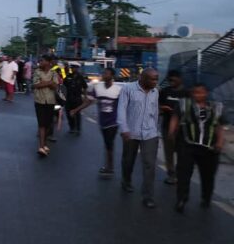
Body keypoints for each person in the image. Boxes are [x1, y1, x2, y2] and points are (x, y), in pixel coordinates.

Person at [170, 83, 228, 213]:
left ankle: (206, 198)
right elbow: (175, 119)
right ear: (192, 93)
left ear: (206, 93)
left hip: (209, 149)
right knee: (183, 174)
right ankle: (181, 199)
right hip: (187, 146)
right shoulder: (184, 105)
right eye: (195, 92)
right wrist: (171, 133)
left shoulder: (216, 107)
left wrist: (219, 143)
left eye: (201, 92)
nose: (198, 95)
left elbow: (219, 127)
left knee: (208, 176)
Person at [116, 68, 160, 209]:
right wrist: (124, 129)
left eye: (156, 79)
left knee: (150, 164)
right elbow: (121, 109)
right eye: (152, 79)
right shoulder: (128, 89)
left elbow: (155, 112)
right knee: (128, 160)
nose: (155, 82)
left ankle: (148, 196)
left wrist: (155, 129)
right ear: (142, 78)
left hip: (150, 133)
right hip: (131, 132)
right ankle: (126, 180)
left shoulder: (155, 92)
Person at [70, 68, 121, 176]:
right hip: (103, 122)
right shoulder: (98, 88)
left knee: (109, 143)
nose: (104, 75)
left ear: (112, 76)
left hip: (113, 122)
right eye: (103, 73)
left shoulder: (118, 90)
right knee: (107, 144)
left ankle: (109, 167)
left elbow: (124, 105)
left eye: (106, 73)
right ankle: (109, 166)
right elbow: (88, 101)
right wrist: (76, 110)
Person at [159, 70, 188, 185]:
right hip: (167, 127)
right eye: (169, 79)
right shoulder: (165, 91)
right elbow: (159, 105)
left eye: (173, 79)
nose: (171, 81)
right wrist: (163, 108)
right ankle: (171, 175)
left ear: (180, 79)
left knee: (182, 153)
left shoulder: (186, 93)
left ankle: (180, 173)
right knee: (169, 153)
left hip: (183, 129)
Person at [33, 55, 59, 157]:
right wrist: (49, 83)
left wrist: (44, 83)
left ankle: (44, 143)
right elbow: (36, 85)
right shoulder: (37, 72)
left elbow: (55, 86)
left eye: (42, 61)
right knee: (41, 124)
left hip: (50, 101)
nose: (40, 62)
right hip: (39, 101)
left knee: (48, 124)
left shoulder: (54, 73)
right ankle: (41, 147)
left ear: (48, 62)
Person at [64, 64, 88, 135]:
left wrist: (85, 97)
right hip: (68, 98)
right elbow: (63, 86)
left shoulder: (80, 77)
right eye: (72, 68)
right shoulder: (68, 76)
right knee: (68, 113)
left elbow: (85, 87)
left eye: (74, 68)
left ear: (77, 68)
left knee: (77, 113)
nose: (73, 69)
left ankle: (78, 129)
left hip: (77, 98)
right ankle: (72, 127)